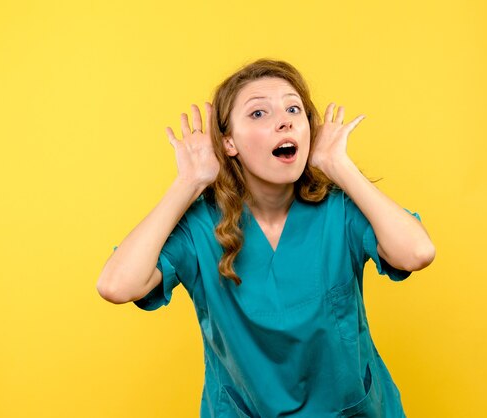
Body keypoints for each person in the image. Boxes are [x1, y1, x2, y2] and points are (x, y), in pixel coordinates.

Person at [97, 59, 435, 417]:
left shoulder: (339, 210)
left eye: (294, 109)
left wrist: (338, 165)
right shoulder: (199, 226)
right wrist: (188, 183)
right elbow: (117, 286)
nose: (285, 120)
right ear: (228, 142)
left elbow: (416, 252)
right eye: (258, 113)